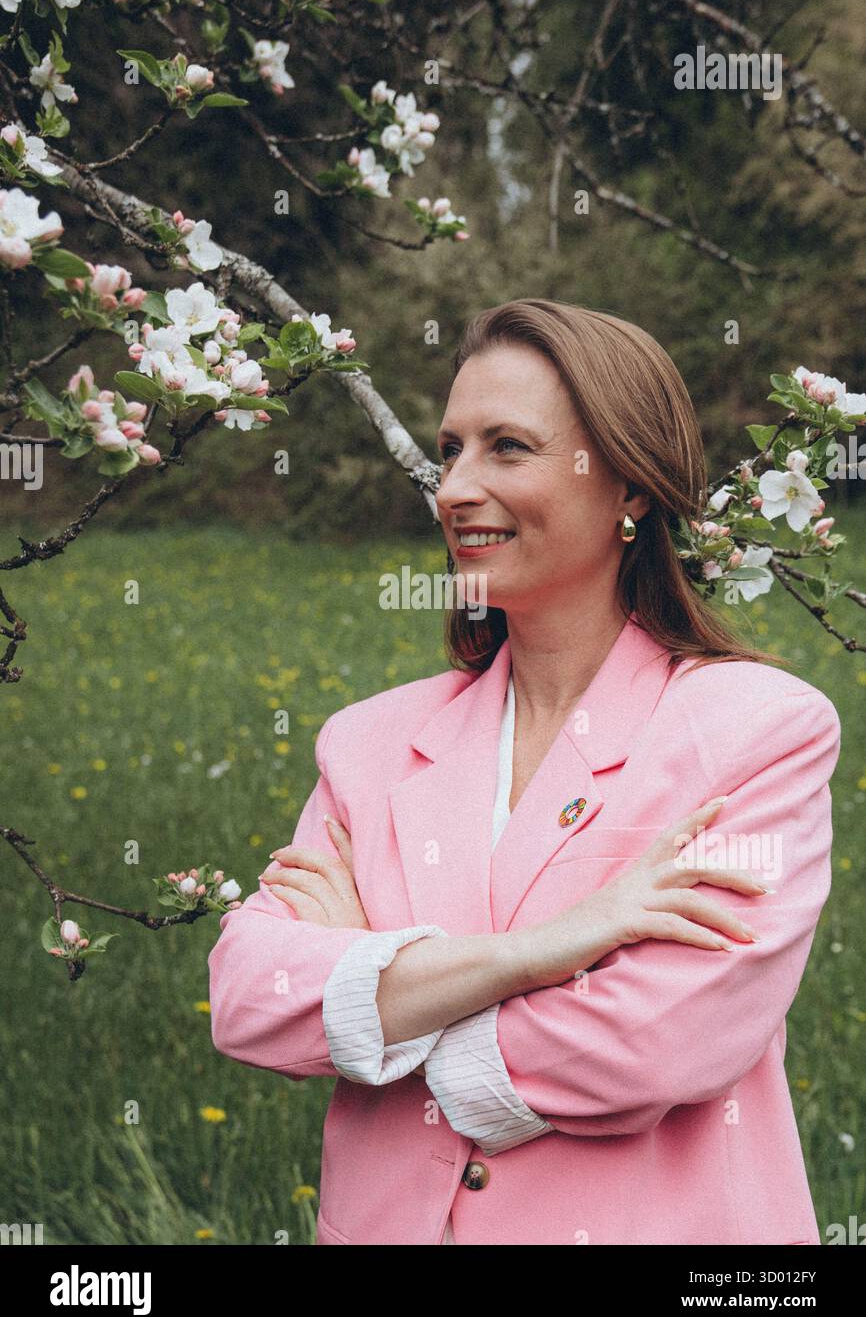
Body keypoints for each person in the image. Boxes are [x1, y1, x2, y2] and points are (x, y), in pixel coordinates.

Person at [208, 300, 841, 1245]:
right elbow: (251, 999)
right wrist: (547, 952)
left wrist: (379, 999)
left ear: (628, 485)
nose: (457, 486)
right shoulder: (368, 744)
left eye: (508, 447)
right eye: (451, 448)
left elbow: (656, 1045)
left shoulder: (756, 732)